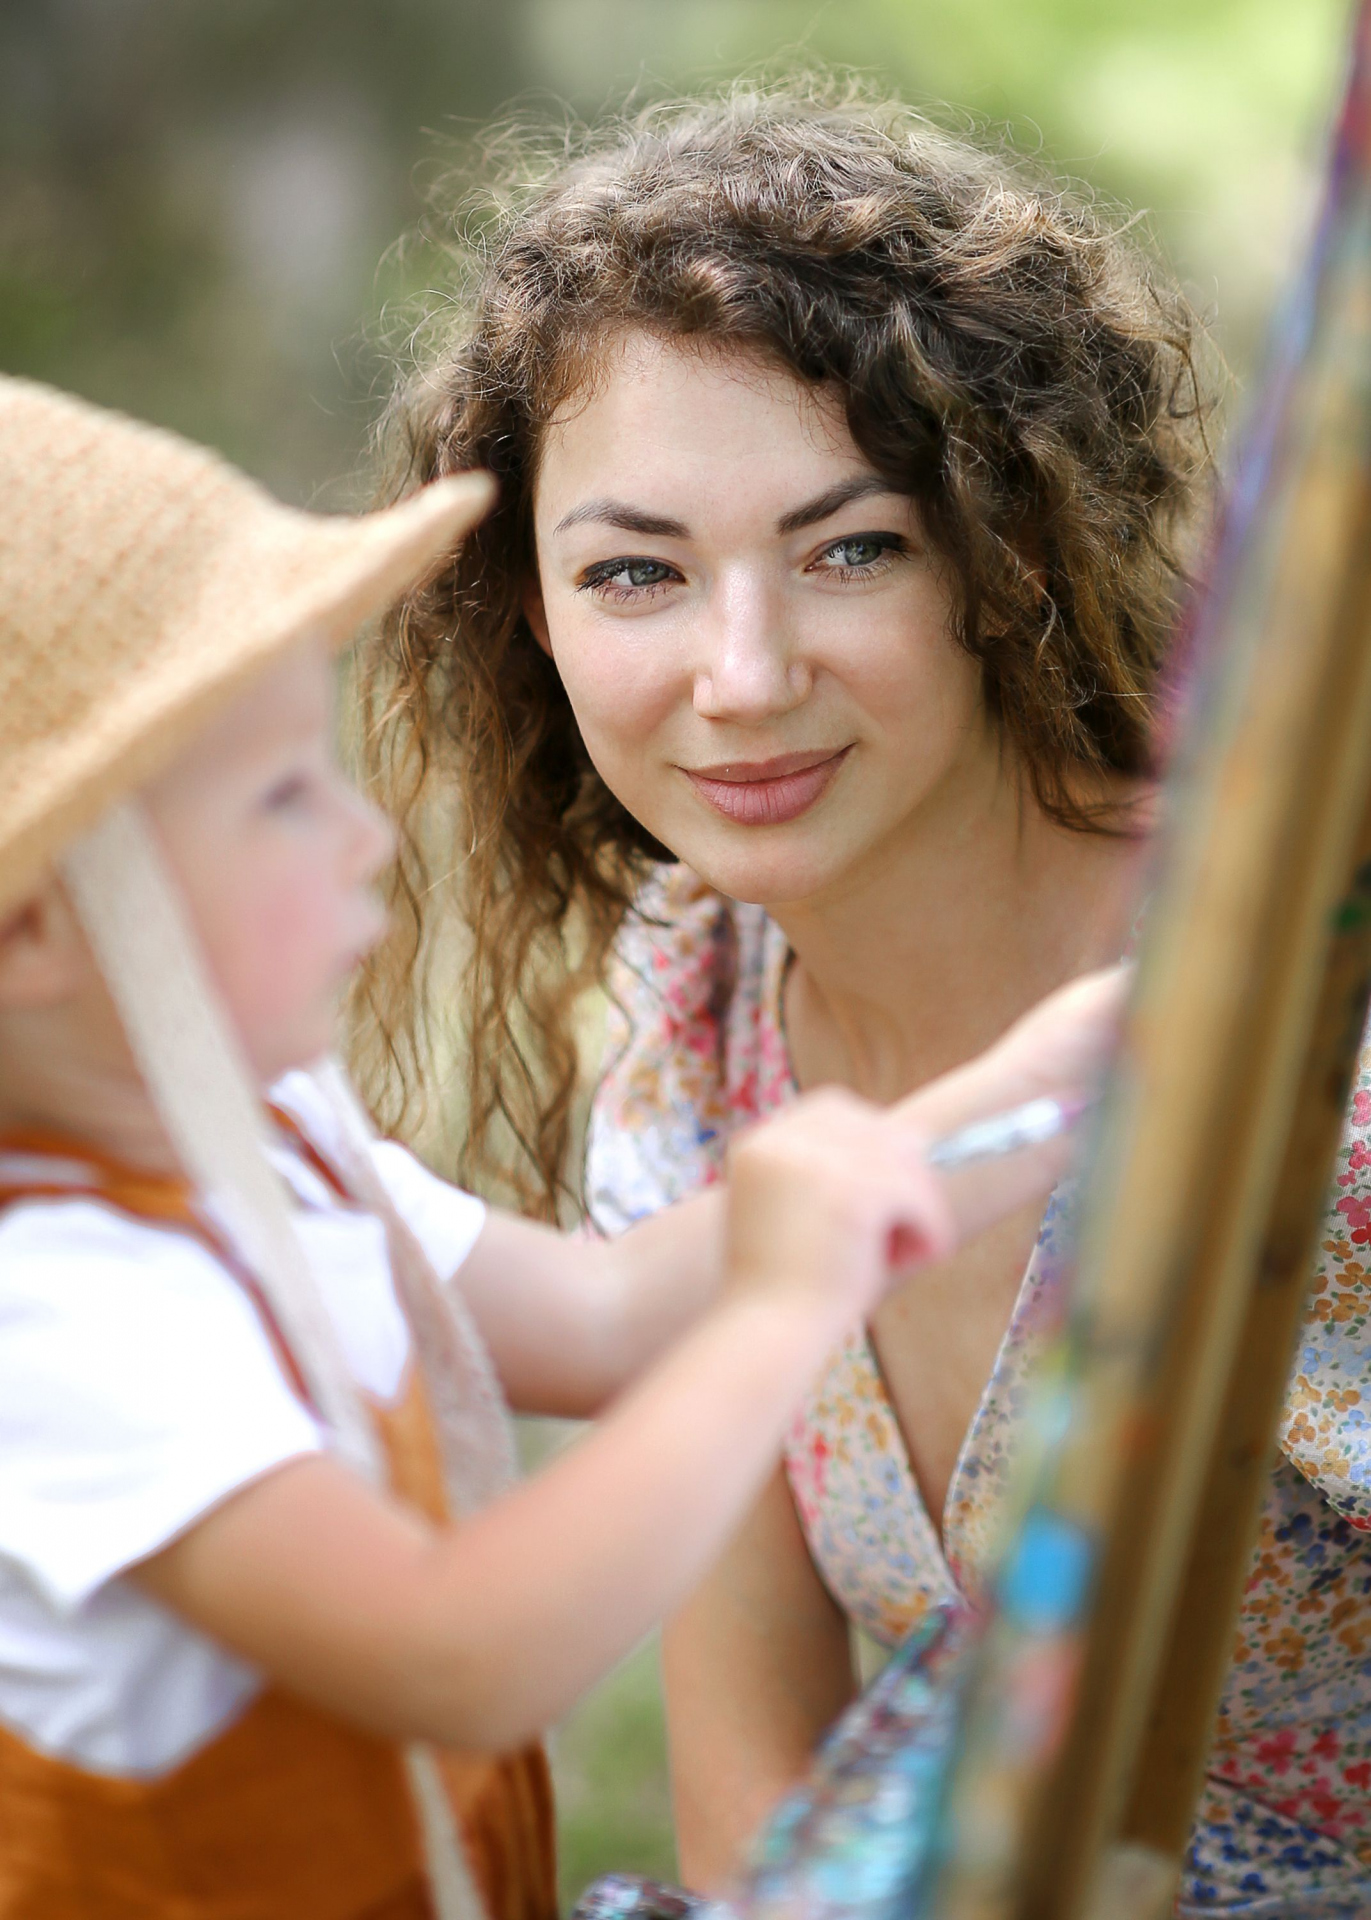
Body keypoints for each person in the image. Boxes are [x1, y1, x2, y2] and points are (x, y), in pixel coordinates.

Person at [362, 84, 1371, 1917]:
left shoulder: (1317, 1033)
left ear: (1005, 554)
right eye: (636, 574)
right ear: (526, 607)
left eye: (851, 548)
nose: (739, 679)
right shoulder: (688, 1031)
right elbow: (760, 1822)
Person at [0, 374, 1118, 1920]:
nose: (368, 834)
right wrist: (785, 1311)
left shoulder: (264, 1140)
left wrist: (1030, 1089)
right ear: (39, 928)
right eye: (277, 798)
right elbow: (462, 1653)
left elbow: (600, 1323)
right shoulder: (59, 1313)